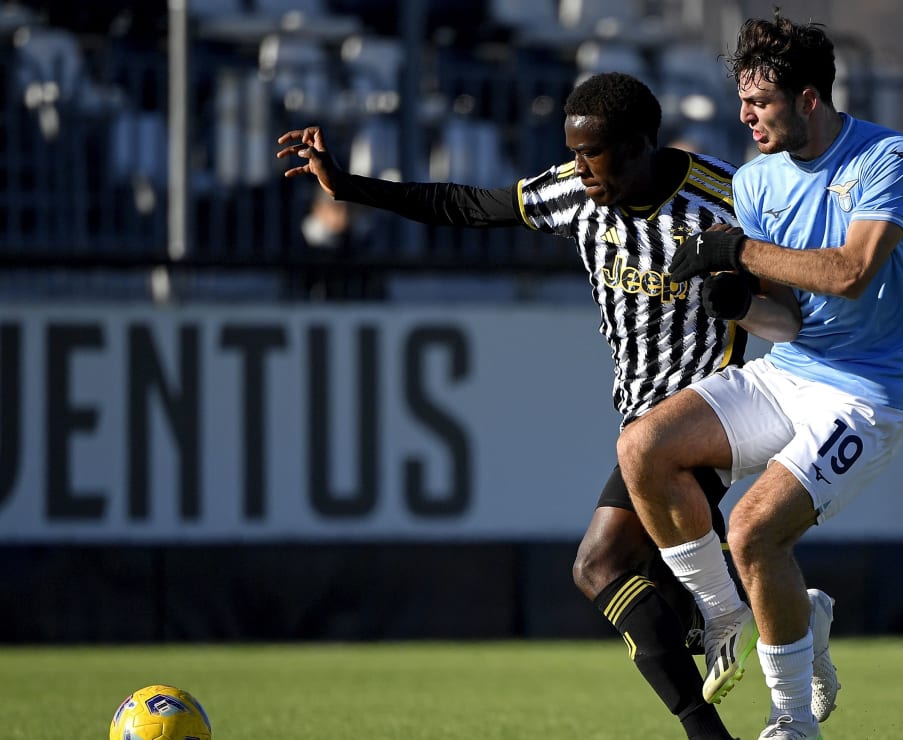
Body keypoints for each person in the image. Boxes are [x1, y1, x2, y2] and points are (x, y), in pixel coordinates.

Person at [276, 72, 801, 740]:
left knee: (598, 564)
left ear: (641, 145)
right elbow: (465, 204)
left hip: (708, 416)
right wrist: (351, 188)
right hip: (642, 424)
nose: (579, 168)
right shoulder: (576, 196)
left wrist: (745, 304)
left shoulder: (724, 199)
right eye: (573, 152)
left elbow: (790, 320)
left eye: (594, 153)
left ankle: (707, 729)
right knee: (657, 593)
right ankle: (780, 610)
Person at [617, 13, 903, 740]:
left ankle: (792, 721)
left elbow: (851, 274)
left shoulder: (889, 157)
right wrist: (743, 304)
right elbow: (789, 320)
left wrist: (742, 253)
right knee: (643, 450)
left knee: (754, 531)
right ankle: (737, 612)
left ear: (811, 99)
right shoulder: (756, 182)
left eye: (760, 103)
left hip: (869, 392)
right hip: (794, 367)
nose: (745, 116)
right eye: (742, 101)